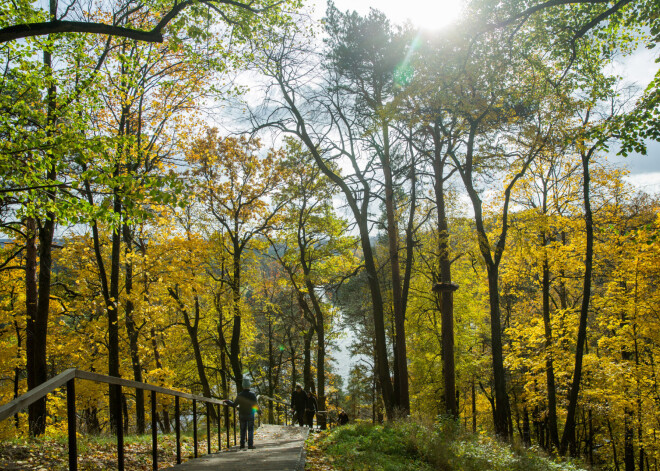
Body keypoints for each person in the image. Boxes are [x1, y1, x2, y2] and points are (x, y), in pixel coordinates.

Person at [225, 378, 259, 449]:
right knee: (250, 429)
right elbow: (256, 405)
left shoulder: (240, 395)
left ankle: (242, 444)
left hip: (242, 414)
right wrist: (259, 412)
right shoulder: (252, 395)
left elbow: (234, 405)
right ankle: (250, 445)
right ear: (249, 386)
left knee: (242, 429)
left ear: (243, 386)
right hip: (250, 414)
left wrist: (228, 401)